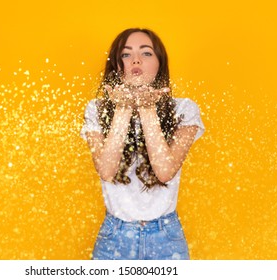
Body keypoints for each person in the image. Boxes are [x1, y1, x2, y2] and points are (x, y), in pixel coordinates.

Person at [80, 28, 205, 260]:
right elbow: (106, 171)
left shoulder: (184, 110)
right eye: (126, 55)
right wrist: (124, 107)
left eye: (146, 53)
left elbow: (164, 170)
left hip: (166, 239)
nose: (136, 59)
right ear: (117, 66)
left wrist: (147, 108)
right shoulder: (96, 110)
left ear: (160, 63)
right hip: (114, 237)